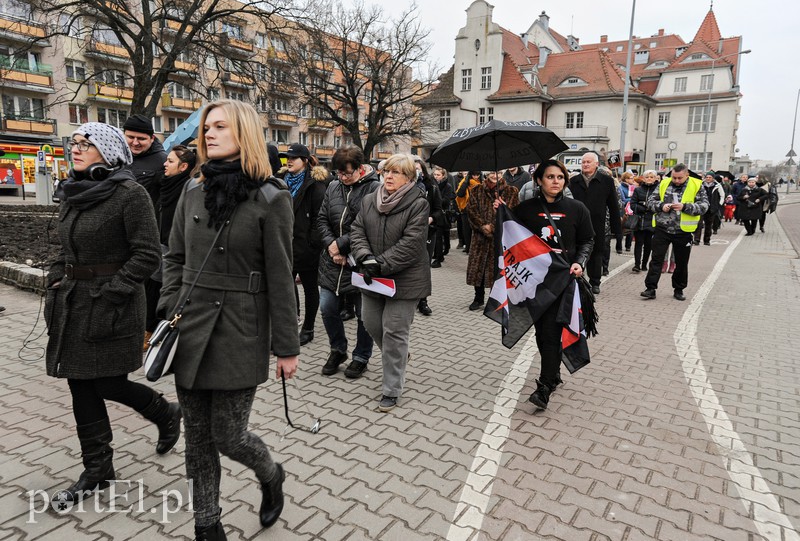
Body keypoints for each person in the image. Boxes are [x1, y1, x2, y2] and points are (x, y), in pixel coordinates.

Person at [159, 100, 299, 539]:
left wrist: (287, 346)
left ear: (243, 132)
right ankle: (207, 525)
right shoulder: (192, 189)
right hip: (191, 324)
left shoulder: (272, 198)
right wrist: (169, 305)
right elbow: (175, 255)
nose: (208, 134)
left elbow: (281, 275)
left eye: (219, 126)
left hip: (241, 327)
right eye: (205, 128)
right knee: (197, 439)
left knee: (229, 435)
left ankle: (271, 473)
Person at [44, 122, 180, 505]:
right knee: (79, 382)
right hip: (72, 302)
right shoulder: (73, 191)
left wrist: (112, 291)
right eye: (74, 142)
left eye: (86, 143)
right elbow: (65, 247)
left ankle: (165, 413)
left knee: (107, 383)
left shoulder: (129, 193)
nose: (76, 148)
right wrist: (57, 275)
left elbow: (148, 255)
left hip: (110, 304)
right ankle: (98, 468)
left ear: (108, 152)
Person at [350, 154, 431, 412]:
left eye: (396, 172)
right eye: (386, 171)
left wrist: (380, 263)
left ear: (409, 178)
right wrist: (365, 258)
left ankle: (391, 389)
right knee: (372, 323)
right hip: (373, 277)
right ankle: (398, 355)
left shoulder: (418, 204)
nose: (389, 176)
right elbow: (357, 230)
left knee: (395, 332)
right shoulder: (368, 200)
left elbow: (412, 243)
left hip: (405, 280)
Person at [512, 159, 594, 410]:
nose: (555, 181)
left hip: (565, 282)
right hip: (535, 282)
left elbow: (588, 240)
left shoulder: (577, 208)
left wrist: (580, 262)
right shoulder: (524, 209)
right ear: (538, 180)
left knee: (551, 333)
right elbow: (510, 238)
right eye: (550, 177)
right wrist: (501, 213)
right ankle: (554, 373)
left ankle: (545, 386)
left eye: (560, 177)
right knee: (543, 333)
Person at [317, 146, 379, 379]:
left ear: (360, 169)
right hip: (331, 260)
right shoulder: (333, 186)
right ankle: (337, 349)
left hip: (360, 260)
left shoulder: (374, 188)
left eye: (347, 174)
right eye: (339, 173)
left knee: (365, 315)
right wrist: (331, 246)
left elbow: (369, 225)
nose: (342, 178)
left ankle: (361, 356)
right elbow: (322, 218)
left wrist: (342, 245)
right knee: (328, 307)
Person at [123, 114, 169, 347]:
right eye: (130, 137)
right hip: (123, 232)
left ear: (152, 138)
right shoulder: (121, 157)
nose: (135, 142)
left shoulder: (162, 161)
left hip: (150, 233)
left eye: (141, 138)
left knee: (151, 283)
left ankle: (149, 329)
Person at [276, 143, 328, 345]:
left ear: (305, 161)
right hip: (283, 245)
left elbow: (319, 218)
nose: (288, 161)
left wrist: (312, 244)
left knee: (309, 288)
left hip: (306, 247)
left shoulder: (315, 184)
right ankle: (289, 324)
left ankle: (308, 328)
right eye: (287, 157)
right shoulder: (280, 180)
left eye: (294, 158)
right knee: (285, 288)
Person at [641, 164, 709, 301]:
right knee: (656, 260)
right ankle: (650, 288)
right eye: (674, 177)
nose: (676, 180)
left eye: (679, 178)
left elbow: (704, 206)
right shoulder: (664, 183)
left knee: (681, 262)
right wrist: (661, 206)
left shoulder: (697, 185)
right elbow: (650, 202)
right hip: (662, 228)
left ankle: (679, 289)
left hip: (683, 231)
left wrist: (685, 207)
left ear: (686, 175)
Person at [466, 170, 519, 310]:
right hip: (479, 237)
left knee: (497, 268)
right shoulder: (476, 190)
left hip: (501, 238)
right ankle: (478, 298)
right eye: (491, 172)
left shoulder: (511, 191)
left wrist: (495, 227)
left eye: (498, 172)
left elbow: (513, 212)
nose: (495, 175)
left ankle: (496, 299)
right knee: (479, 269)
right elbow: (471, 210)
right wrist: (483, 226)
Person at [569, 152, 621, 294]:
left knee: (596, 253)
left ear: (596, 164)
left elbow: (613, 206)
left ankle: (595, 282)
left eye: (588, 162)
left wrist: (617, 229)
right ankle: (578, 279)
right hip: (577, 223)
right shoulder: (573, 181)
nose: (585, 164)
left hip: (597, 223)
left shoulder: (606, 181)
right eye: (583, 162)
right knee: (577, 251)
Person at [413, 158, 442, 316]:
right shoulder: (406, 186)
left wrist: (431, 218)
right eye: (413, 169)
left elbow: (439, 209)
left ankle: (423, 301)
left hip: (428, 231)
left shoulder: (431, 186)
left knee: (424, 266)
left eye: (419, 169)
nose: (417, 172)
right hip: (409, 233)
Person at [630, 170, 658, 273]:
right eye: (647, 177)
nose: (649, 178)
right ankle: (637, 264)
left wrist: (648, 206)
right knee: (638, 243)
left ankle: (644, 264)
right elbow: (633, 204)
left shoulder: (658, 190)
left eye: (651, 177)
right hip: (639, 220)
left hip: (652, 221)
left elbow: (658, 204)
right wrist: (643, 208)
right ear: (644, 178)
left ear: (655, 178)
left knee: (648, 244)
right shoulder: (638, 190)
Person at [693, 172, 725, 245]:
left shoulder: (717, 186)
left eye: (710, 177)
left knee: (708, 225)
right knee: (699, 224)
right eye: (707, 177)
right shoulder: (700, 184)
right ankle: (697, 239)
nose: (708, 179)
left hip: (712, 208)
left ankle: (707, 240)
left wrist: (718, 205)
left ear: (713, 178)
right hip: (701, 207)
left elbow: (722, 196)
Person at [433, 166, 456, 262]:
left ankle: (442, 253)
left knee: (444, 233)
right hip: (435, 213)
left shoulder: (448, 186)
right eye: (434, 174)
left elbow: (446, 201)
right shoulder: (433, 185)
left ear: (443, 176)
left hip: (444, 213)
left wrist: (436, 200)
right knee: (437, 235)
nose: (436, 176)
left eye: (438, 175)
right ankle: (438, 254)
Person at [455, 171, 482, 253]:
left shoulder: (481, 182)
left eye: (478, 175)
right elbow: (459, 194)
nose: (476, 177)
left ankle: (475, 247)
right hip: (465, 208)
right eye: (474, 175)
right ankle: (468, 247)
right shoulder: (464, 182)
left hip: (477, 209)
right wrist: (466, 183)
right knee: (466, 229)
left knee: (476, 229)